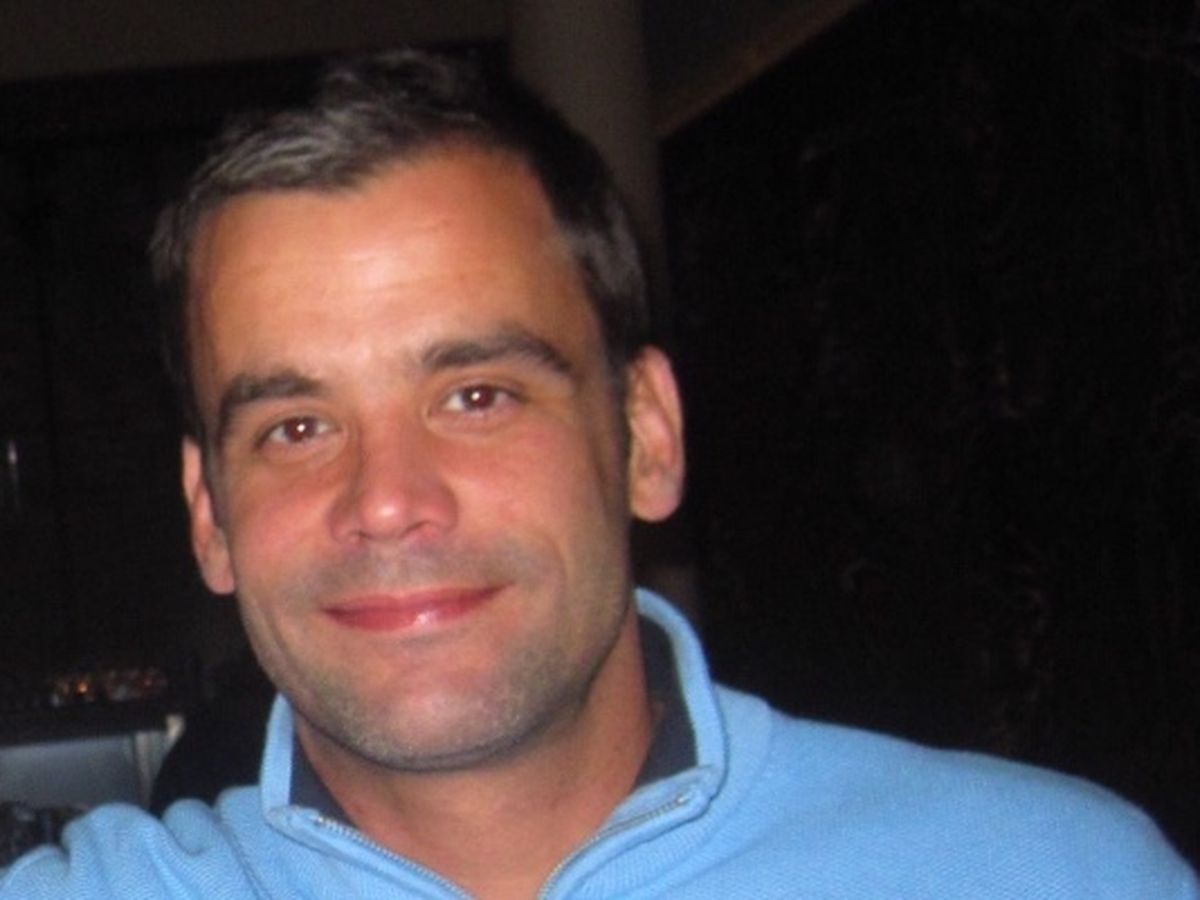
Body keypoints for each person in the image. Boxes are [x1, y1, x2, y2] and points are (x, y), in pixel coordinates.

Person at [1, 48, 1195, 900]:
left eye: (477, 396)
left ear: (646, 435)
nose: (387, 501)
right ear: (209, 517)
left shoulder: (1057, 877)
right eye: (297, 427)